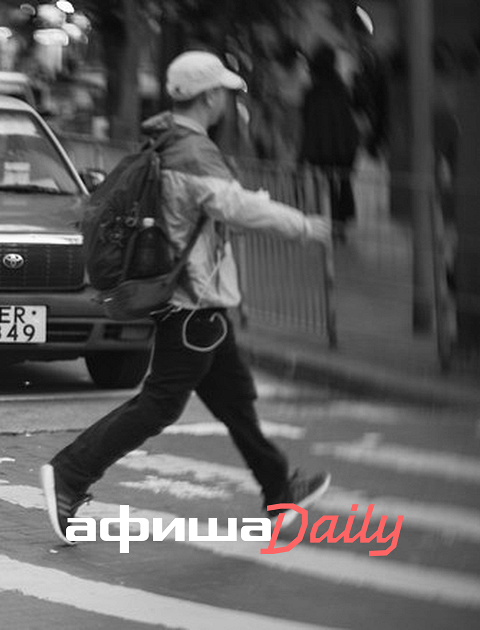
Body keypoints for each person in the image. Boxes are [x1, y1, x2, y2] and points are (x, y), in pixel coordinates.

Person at [39, 51, 333, 545]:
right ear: (211, 96)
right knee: (159, 405)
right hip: (193, 304)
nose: (226, 99)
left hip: (194, 301)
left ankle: (279, 489)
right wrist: (303, 226)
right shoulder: (193, 151)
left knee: (235, 401)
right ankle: (70, 472)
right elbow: (235, 207)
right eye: (224, 92)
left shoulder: (164, 139)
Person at [299, 44, 360, 243]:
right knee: (343, 182)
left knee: (325, 186)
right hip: (344, 146)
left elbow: (309, 122)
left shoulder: (314, 93)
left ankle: (329, 223)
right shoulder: (341, 88)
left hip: (322, 148)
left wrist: (304, 152)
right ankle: (341, 224)